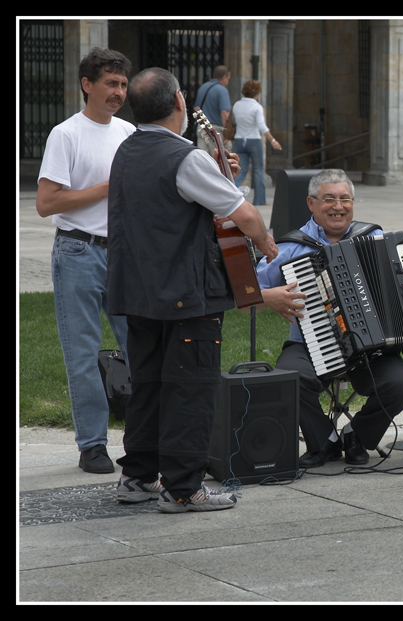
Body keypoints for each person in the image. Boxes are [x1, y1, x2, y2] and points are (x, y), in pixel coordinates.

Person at [106, 67, 278, 513]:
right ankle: (183, 488)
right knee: (189, 389)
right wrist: (265, 244)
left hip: (138, 293)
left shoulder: (126, 151)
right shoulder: (183, 156)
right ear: (180, 102)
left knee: (148, 386)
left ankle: (137, 476)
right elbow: (245, 216)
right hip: (185, 295)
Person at [253, 169, 403, 468]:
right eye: (329, 199)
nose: (338, 206)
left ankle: (358, 436)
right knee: (289, 378)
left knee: (401, 383)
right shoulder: (289, 248)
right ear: (311, 204)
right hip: (309, 345)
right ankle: (323, 441)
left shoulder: (376, 238)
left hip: (371, 348)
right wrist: (270, 297)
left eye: (344, 199)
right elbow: (246, 294)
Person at [36, 47, 135, 474]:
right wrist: (106, 188)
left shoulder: (130, 131)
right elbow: (46, 202)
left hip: (126, 254)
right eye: (110, 83)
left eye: (124, 85)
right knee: (82, 353)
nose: (118, 92)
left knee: (141, 348)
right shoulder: (66, 134)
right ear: (87, 84)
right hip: (77, 250)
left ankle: (142, 442)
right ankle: (92, 445)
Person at [231, 79, 282, 205]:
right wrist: (273, 140)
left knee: (240, 170)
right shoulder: (256, 107)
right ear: (257, 93)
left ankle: (231, 193)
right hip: (254, 140)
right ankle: (260, 200)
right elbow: (261, 126)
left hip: (239, 140)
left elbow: (233, 121)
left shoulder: (237, 105)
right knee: (258, 170)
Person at [194, 65, 232, 151]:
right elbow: (224, 113)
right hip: (215, 129)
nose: (228, 81)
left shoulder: (202, 87)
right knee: (221, 159)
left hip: (201, 127)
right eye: (228, 78)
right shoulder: (222, 90)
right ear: (224, 77)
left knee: (203, 160)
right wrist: (226, 133)